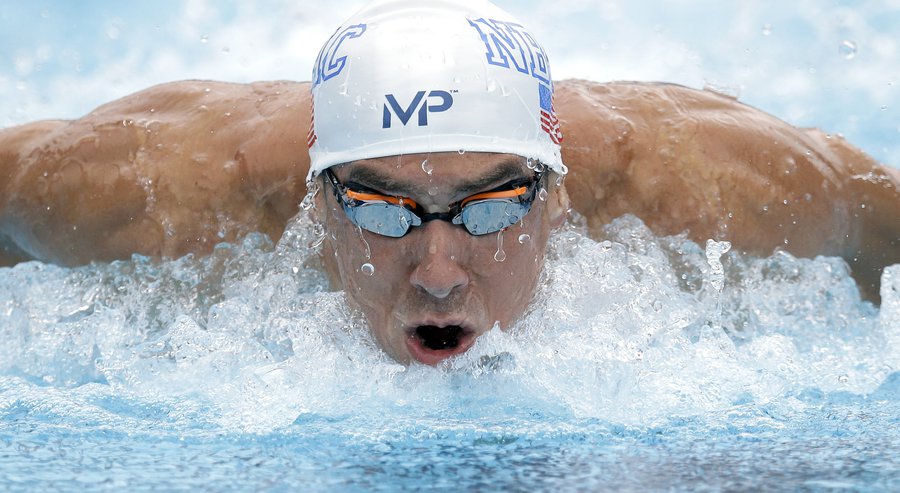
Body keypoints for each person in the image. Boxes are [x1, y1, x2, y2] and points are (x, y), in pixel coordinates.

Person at [1, 0, 897, 364]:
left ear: (563, 191)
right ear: (319, 202)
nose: (438, 269)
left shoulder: (699, 185)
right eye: (385, 209)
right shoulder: (155, 192)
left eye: (495, 205)